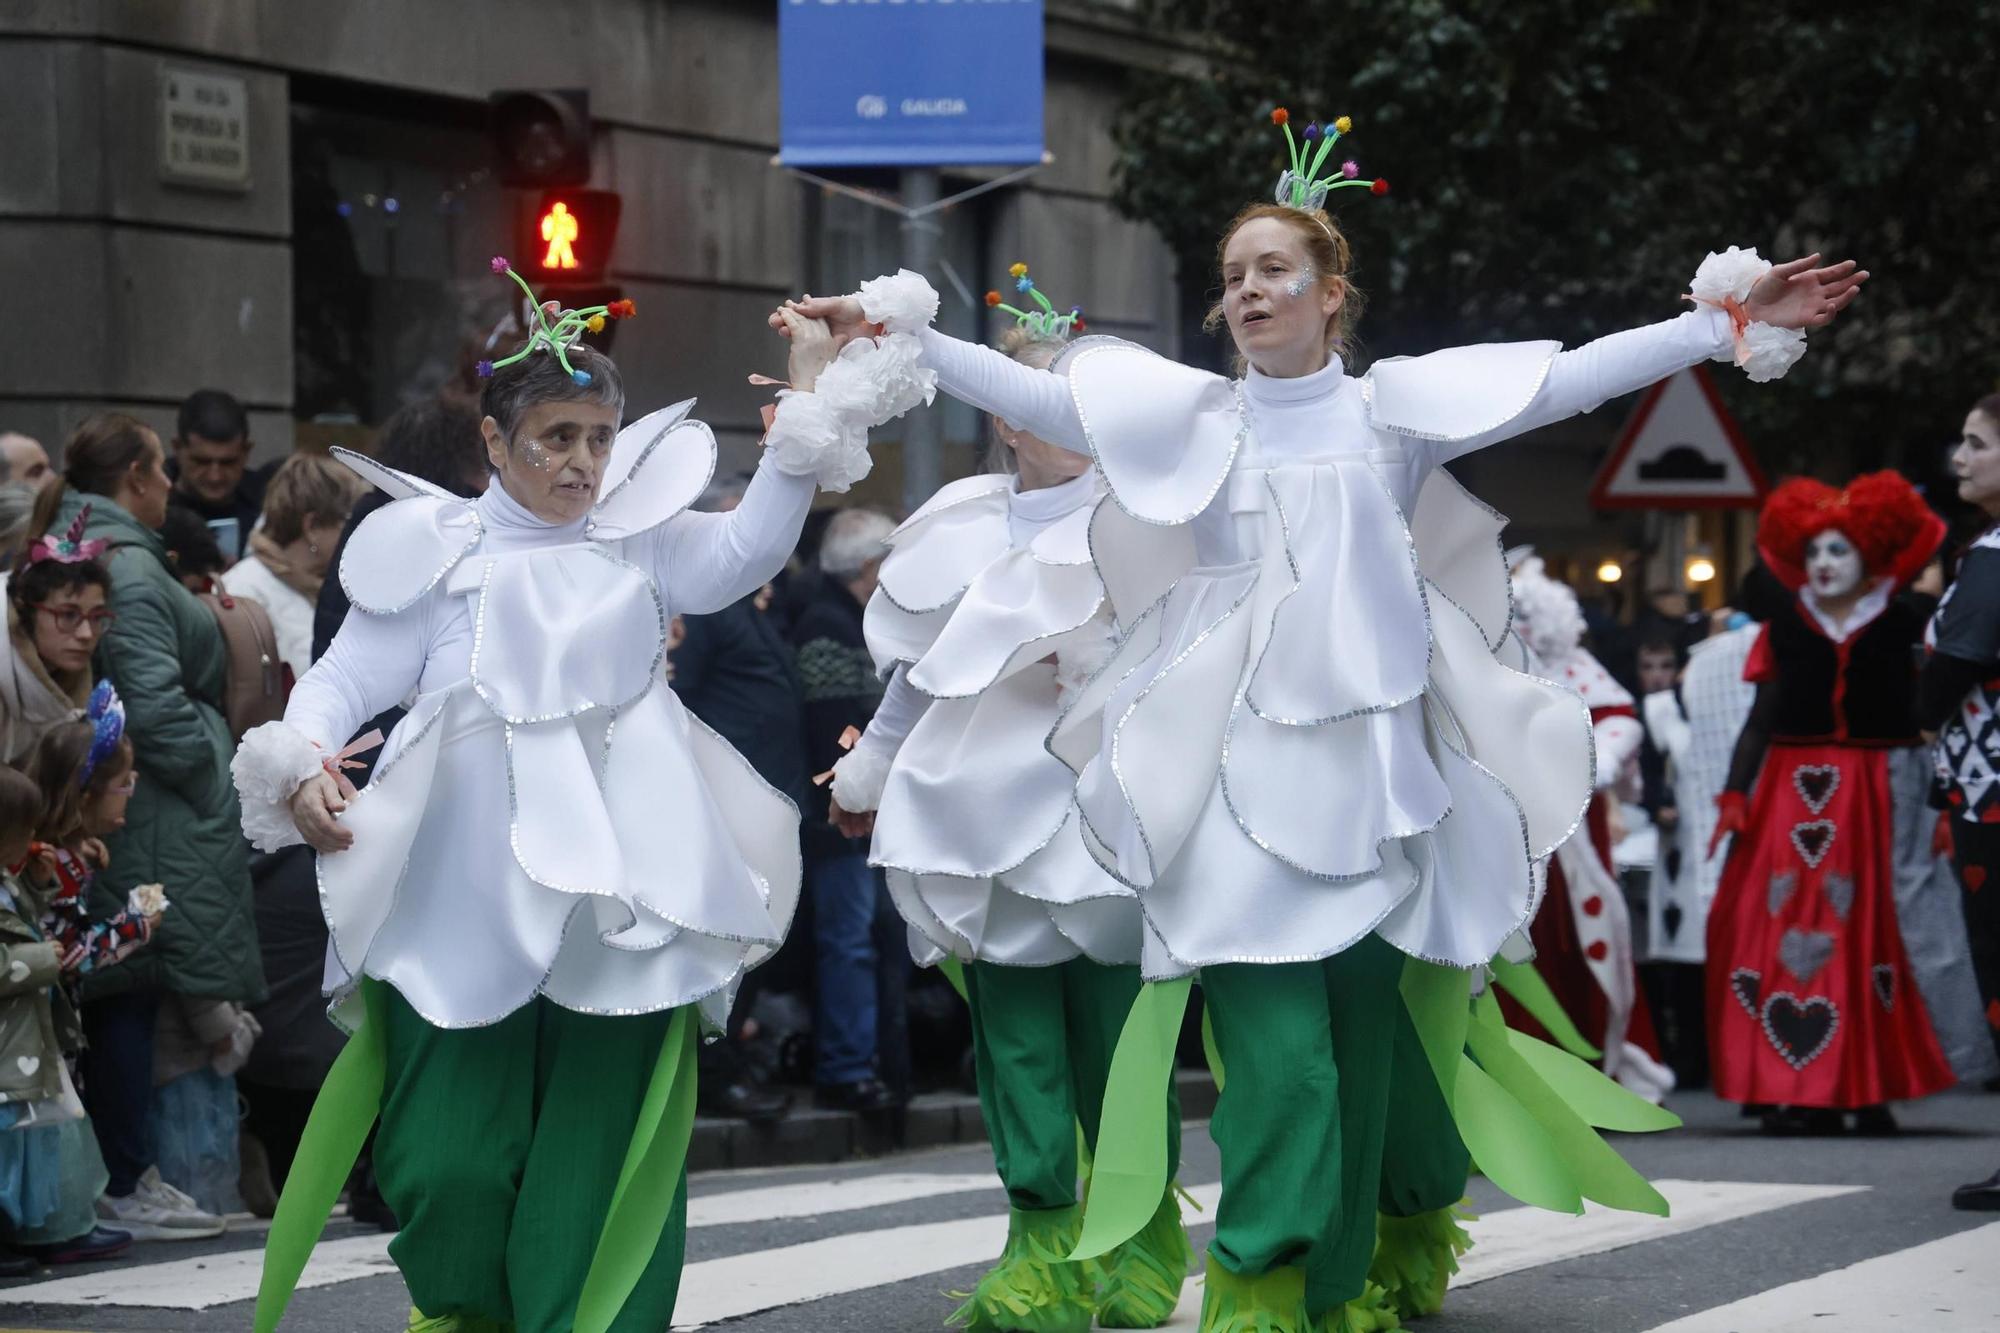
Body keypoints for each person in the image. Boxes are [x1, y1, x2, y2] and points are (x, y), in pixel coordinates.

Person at [783, 106, 1864, 1329]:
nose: (1247, 293)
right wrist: (890, 331)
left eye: (1273, 271)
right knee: (1280, 1059)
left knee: (1361, 1057)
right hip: (1231, 789)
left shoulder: (1390, 414)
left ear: (1327, 293)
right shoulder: (1189, 419)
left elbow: (1565, 378)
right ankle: (1258, 1285)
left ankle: (1337, 1281)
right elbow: (1028, 393)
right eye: (1233, 276)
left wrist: (1719, 324)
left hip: (1374, 781)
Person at [232, 265, 928, 1332]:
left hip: (624, 884)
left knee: (595, 1154)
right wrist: (304, 755)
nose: (581, 462)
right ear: (496, 445)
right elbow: (340, 678)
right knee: (445, 1165)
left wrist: (808, 399)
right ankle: (469, 1311)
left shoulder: (640, 538)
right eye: (555, 437)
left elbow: (749, 546)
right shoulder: (433, 550)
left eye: (599, 438)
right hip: (458, 884)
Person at [827, 275, 1192, 1331]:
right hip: (982, 817)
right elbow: (923, 670)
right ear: (1004, 416)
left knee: (1120, 1050)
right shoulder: (957, 526)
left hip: (1108, 820)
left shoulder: (1148, 522)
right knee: (1018, 1047)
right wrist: (871, 768)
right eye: (1045, 398)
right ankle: (1038, 1245)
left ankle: (1134, 1235)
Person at [32, 412, 256, 1239]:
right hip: (162, 803)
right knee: (134, 976)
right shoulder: (124, 563)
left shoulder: (112, 551)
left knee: (139, 973)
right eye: (163, 469)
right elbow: (151, 697)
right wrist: (209, 772)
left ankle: (134, 1172)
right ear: (134, 474)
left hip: (150, 797)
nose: (172, 486)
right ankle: (131, 1173)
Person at [1706, 472, 1975, 1135]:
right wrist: (1736, 794)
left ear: (1873, 557)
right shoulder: (1785, 627)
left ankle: (1867, 1086)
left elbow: (1940, 715)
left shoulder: (1907, 620)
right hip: (1788, 799)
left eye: (1840, 551)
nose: (1824, 564)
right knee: (1775, 925)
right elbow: (1761, 721)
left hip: (1879, 795)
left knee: (1874, 935)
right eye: (1817, 550)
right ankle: (1789, 1086)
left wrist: (1940, 801)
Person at [1504, 556, 1676, 1103]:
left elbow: (1621, 718)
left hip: (1574, 839)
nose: (1524, 626)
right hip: (1508, 833)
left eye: (1531, 615)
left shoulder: (1576, 669)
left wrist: (1594, 760)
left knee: (1582, 945)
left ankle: (1591, 1076)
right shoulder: (1483, 665)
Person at [669, 474, 806, 1126]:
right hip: (724, 795)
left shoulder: (751, 605)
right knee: (729, 933)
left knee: (758, 930)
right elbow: (682, 696)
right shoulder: (705, 609)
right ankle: (714, 1071)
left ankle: (727, 1063)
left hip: (766, 792)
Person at [790, 506, 910, 1115]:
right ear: (868, 565)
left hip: (855, 809)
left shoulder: (847, 619)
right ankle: (847, 1065)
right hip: (840, 815)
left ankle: (872, 1060)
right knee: (850, 940)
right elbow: (838, 726)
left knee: (866, 938)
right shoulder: (829, 626)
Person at [0, 758, 133, 1271]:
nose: (36, 836)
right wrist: (41, 959)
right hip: (10, 1045)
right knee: (9, 1150)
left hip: (24, 1043)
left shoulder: (8, 880)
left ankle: (37, 1231)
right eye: (25, 830)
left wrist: (37, 887)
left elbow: (20, 924)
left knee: (30, 1143)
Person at [1920, 391, 2000, 1211]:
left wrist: (1921, 713)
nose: (1961, 456)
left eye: (1978, 442)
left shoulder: (1995, 556)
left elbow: (1956, 662)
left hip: (1993, 796)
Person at [217, 453, 365, 681]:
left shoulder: (339, 587)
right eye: (350, 521)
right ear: (313, 527)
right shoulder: (242, 591)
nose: (359, 532)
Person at [1, 518, 110, 763]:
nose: (86, 634)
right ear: (24, 608)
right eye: (68, 614)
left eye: (96, 617)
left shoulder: (68, 674)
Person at [168, 389, 268, 562]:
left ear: (246, 452)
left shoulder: (268, 505)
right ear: (177, 448)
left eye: (228, 463)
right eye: (201, 462)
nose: (215, 476)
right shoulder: (152, 506)